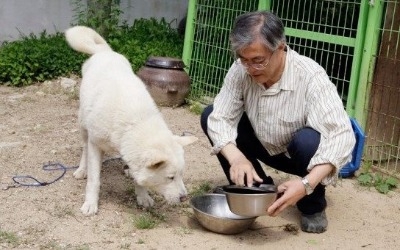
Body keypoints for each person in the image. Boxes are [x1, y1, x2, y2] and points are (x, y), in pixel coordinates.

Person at [200, 10, 356, 233]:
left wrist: (306, 184)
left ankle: (312, 206)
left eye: (258, 61)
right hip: (262, 142)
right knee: (209, 114)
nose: (251, 68)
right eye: (244, 60)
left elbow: (341, 136)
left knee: (309, 141)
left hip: (298, 155)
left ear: (280, 48)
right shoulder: (241, 70)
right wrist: (236, 158)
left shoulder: (310, 76)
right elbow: (220, 118)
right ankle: (255, 189)